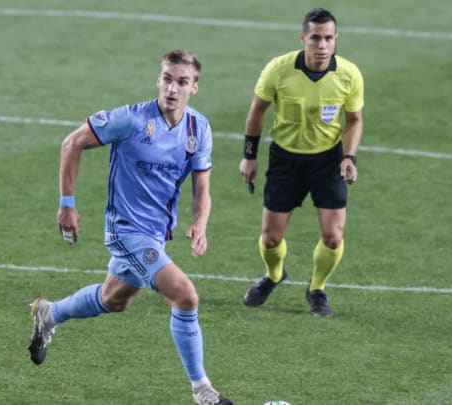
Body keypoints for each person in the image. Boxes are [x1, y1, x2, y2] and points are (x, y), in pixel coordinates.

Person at [28, 49, 233, 405]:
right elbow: (71, 142)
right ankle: (203, 391)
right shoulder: (131, 120)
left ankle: (50, 313)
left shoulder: (198, 128)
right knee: (185, 296)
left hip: (156, 235)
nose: (172, 88)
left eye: (182, 82)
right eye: (167, 78)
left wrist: (200, 223)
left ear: (194, 87)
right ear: (158, 80)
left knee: (114, 299)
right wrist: (66, 205)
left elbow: (203, 188)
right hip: (125, 231)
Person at [239, 8, 364, 317]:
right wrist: (250, 156)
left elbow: (355, 119)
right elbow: (258, 109)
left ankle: (317, 289)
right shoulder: (279, 69)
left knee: (333, 238)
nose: (322, 45)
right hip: (285, 159)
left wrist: (349, 157)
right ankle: (274, 275)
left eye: (329, 38)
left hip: (328, 160)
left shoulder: (349, 75)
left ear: (336, 39)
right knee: (271, 238)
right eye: (316, 38)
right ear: (303, 38)